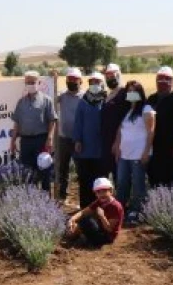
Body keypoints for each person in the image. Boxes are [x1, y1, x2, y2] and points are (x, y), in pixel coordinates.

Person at [114, 81, 155, 224]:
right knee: (122, 182)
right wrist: (117, 145)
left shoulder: (146, 109)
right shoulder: (127, 110)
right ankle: (119, 210)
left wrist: (146, 152)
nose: (131, 93)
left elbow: (151, 132)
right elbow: (120, 130)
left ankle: (136, 211)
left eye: (134, 91)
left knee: (138, 183)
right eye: (128, 91)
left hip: (139, 154)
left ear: (140, 93)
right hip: (124, 154)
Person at [9, 70, 57, 191]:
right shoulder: (21, 102)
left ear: (39, 82)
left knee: (44, 172)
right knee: (27, 174)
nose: (30, 84)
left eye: (33, 82)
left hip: (41, 140)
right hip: (25, 142)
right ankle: (32, 202)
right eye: (28, 82)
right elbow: (17, 123)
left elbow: (52, 120)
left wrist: (50, 138)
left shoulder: (46, 100)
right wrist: (13, 141)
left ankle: (46, 202)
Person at [146, 67, 173, 189]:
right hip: (155, 145)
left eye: (167, 79)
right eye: (160, 78)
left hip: (172, 146)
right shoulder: (152, 99)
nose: (163, 81)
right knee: (155, 175)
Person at [72, 71, 108, 208]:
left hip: (101, 147)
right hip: (85, 147)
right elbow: (78, 122)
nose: (94, 85)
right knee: (85, 178)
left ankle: (100, 206)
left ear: (102, 84)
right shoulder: (83, 101)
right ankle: (85, 207)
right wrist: (77, 140)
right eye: (91, 82)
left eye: (97, 82)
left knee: (99, 179)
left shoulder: (106, 100)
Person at [54, 68, 83, 202]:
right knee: (63, 168)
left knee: (81, 170)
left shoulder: (84, 97)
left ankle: (82, 197)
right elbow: (51, 96)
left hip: (79, 140)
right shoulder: (62, 96)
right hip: (63, 138)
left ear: (80, 81)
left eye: (74, 79)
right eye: (69, 79)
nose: (71, 82)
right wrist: (53, 79)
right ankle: (62, 196)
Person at [66, 178, 124, 246]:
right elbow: (83, 212)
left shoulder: (116, 206)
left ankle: (81, 238)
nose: (102, 194)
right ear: (96, 193)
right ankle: (75, 234)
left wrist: (102, 216)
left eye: (104, 191)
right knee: (80, 219)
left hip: (107, 238)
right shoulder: (99, 201)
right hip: (101, 230)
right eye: (98, 192)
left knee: (86, 221)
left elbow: (109, 229)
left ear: (111, 191)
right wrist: (72, 219)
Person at [100, 63, 127, 179]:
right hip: (106, 141)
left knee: (119, 176)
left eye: (113, 76)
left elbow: (125, 120)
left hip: (118, 142)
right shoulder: (108, 95)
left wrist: (118, 142)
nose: (110, 79)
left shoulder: (124, 94)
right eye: (108, 76)